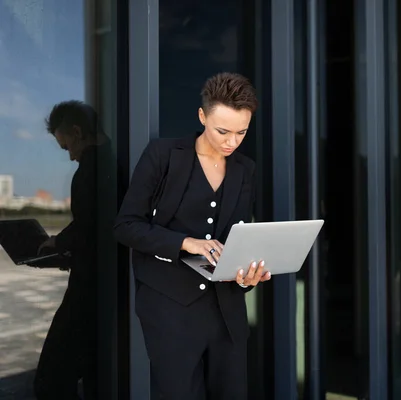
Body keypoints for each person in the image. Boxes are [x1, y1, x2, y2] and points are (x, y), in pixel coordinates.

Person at [113, 72, 270, 400]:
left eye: (242, 132)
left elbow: (236, 240)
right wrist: (185, 242)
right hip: (169, 309)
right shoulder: (162, 156)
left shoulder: (245, 169)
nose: (232, 142)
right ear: (202, 117)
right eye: (222, 131)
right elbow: (126, 226)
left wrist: (247, 277)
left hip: (227, 313)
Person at [34, 100, 113, 399]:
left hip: (88, 289)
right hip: (106, 289)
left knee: (51, 378)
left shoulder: (89, 169)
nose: (70, 156)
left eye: (67, 146)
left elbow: (88, 225)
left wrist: (59, 243)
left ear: (78, 132)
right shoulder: (116, 160)